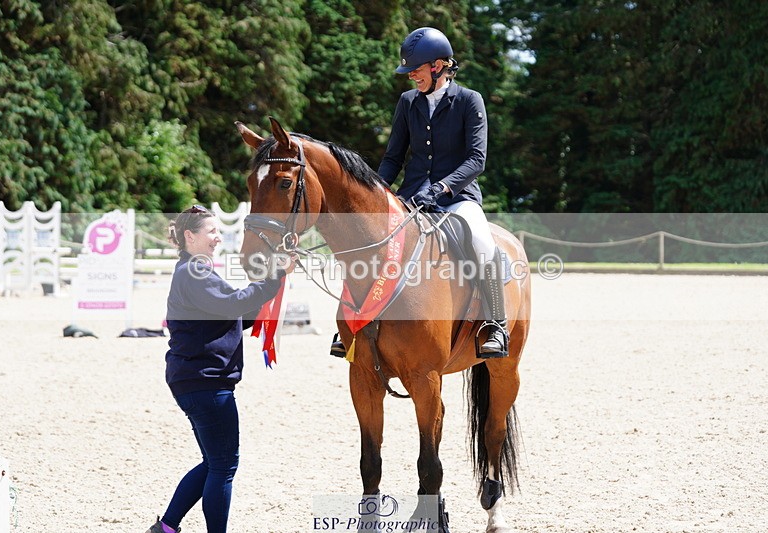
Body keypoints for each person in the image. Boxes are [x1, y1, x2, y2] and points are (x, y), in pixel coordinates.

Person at [330, 27, 507, 358]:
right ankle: (350, 324)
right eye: (409, 71)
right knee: (367, 239)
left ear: (438, 66)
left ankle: (495, 324)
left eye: (416, 69)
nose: (411, 76)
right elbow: (393, 157)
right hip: (410, 196)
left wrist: (441, 188)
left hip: (457, 198)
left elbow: (476, 160)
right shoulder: (408, 102)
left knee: (482, 241)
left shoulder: (469, 100)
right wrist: (375, 194)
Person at [146, 205, 294, 533]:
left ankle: (166, 527)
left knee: (214, 462)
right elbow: (231, 304)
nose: (218, 237)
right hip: (205, 382)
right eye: (211, 231)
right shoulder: (194, 272)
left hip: (196, 380)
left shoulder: (194, 270)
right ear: (190, 236)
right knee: (224, 465)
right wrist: (274, 279)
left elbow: (232, 316)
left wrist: (271, 287)